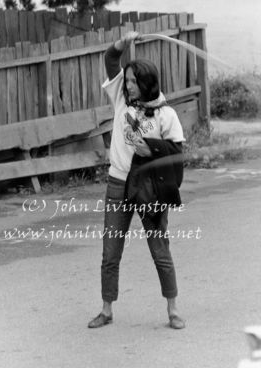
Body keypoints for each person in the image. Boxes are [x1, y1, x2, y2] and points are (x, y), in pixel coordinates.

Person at [88, 31, 185, 329]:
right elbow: (110, 58)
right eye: (126, 81)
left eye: (133, 81)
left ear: (146, 83)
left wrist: (151, 149)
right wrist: (123, 43)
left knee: (160, 251)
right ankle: (106, 310)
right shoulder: (120, 99)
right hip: (118, 184)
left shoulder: (166, 115)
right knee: (110, 253)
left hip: (149, 189)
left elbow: (177, 156)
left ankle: (173, 310)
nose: (128, 86)